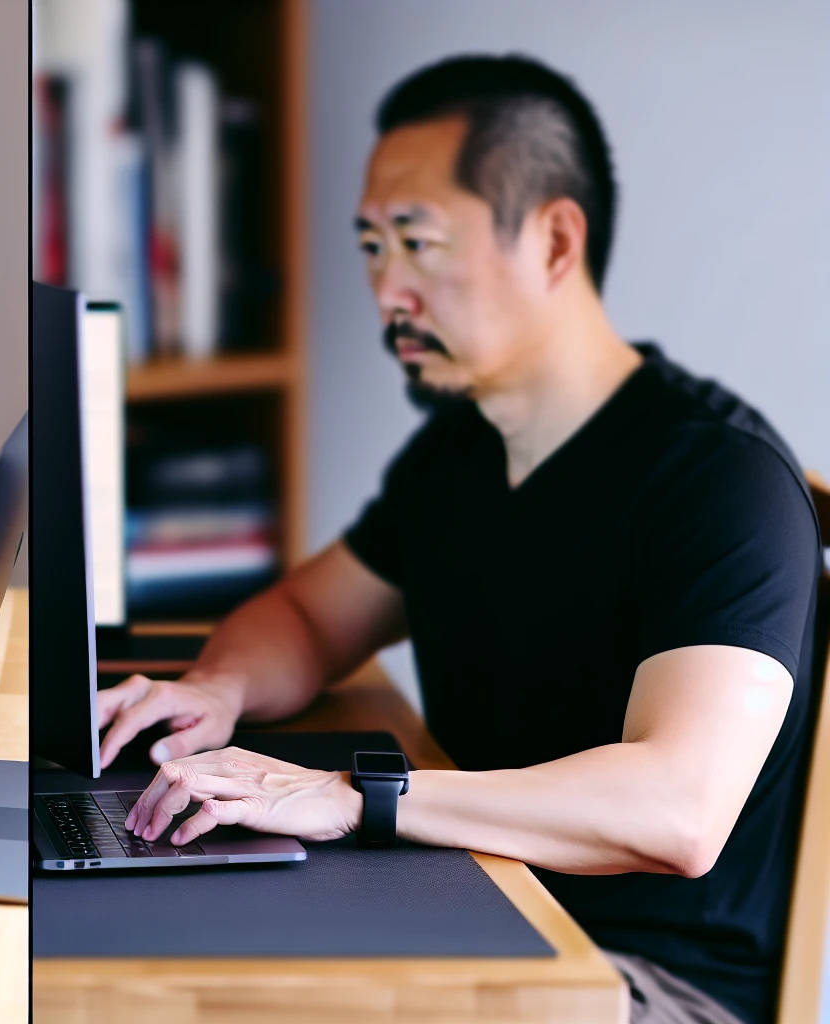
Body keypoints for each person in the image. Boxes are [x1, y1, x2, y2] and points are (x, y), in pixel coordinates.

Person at [96, 55, 816, 1024]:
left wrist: (361, 797)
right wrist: (216, 690)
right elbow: (308, 615)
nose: (387, 288)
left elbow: (677, 809)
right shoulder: (459, 453)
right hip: (474, 903)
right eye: (369, 246)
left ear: (555, 240)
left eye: (417, 242)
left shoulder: (718, 480)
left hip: (641, 983)